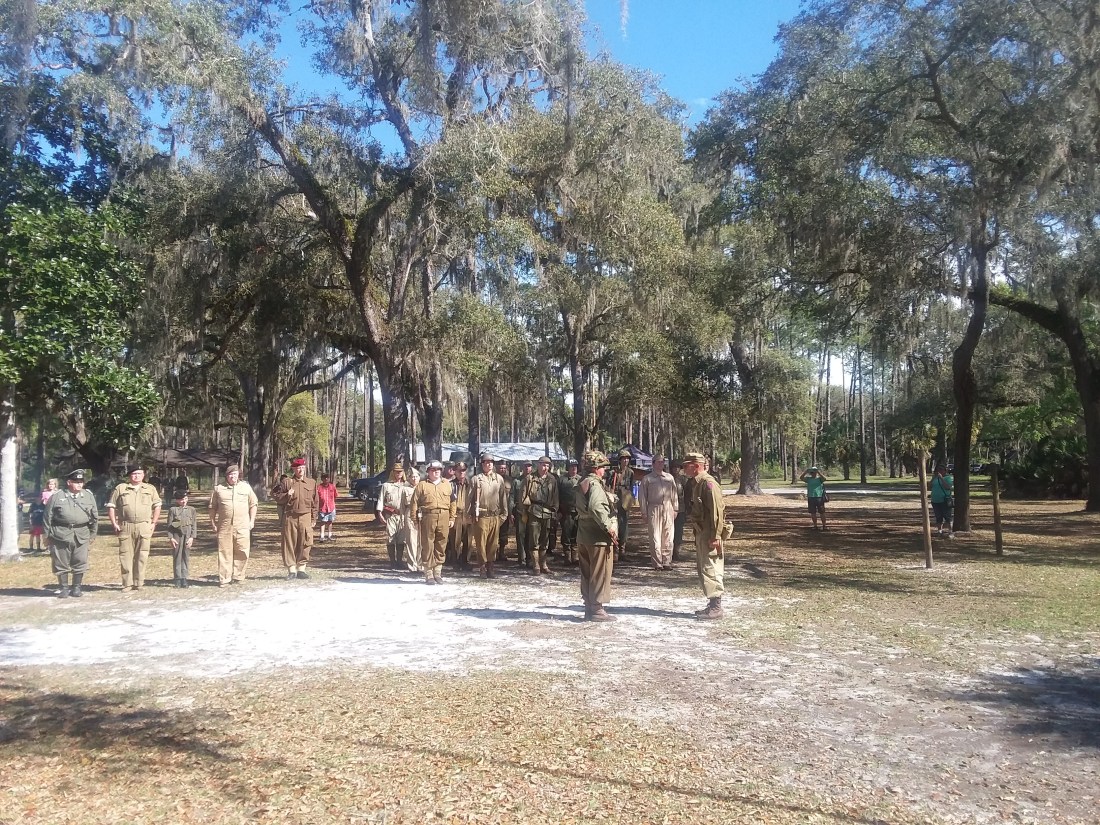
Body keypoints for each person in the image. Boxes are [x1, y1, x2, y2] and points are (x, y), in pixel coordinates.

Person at [575, 450, 617, 621]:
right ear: (596, 468)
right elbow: (595, 507)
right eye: (602, 468)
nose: (604, 471)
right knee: (600, 573)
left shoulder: (582, 482)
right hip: (598, 537)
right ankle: (597, 609)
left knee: (587, 573)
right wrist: (609, 528)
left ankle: (588, 607)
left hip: (583, 534)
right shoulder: (595, 485)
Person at [44, 469, 98, 598]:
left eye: (81, 482)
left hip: (81, 533)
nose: (80, 484)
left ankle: (76, 588)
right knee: (61, 562)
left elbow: (94, 516)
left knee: (80, 561)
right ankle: (63, 588)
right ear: (69, 482)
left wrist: (93, 534)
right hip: (61, 534)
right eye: (76, 482)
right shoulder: (57, 496)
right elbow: (47, 517)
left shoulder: (88, 496)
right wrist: (46, 536)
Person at [107, 465, 162, 592]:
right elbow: (111, 506)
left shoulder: (150, 489)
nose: (136, 476)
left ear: (143, 475)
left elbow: (157, 505)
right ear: (129, 476)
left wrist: (154, 522)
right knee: (125, 555)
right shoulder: (121, 488)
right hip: (126, 525)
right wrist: (114, 523)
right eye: (134, 474)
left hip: (144, 525)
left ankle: (139, 582)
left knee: (142, 555)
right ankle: (127, 583)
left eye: (139, 473)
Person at [683, 451, 725, 619]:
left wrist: (715, 536)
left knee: (711, 568)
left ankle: (716, 607)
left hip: (709, 531)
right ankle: (712, 604)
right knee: (704, 568)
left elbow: (716, 512)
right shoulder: (696, 483)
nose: (684, 468)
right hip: (701, 531)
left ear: (697, 466)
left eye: (687, 465)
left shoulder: (708, 484)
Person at [208, 463, 258, 586]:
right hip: (225, 526)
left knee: (242, 550)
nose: (232, 477)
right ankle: (225, 578)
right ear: (226, 476)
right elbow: (212, 507)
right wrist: (213, 523)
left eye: (235, 474)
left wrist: (252, 521)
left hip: (242, 525)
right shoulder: (219, 489)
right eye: (230, 474)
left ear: (239, 475)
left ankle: (239, 576)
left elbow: (253, 504)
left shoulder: (246, 488)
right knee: (225, 552)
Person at [409, 460, 456, 584]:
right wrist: (414, 520)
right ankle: (429, 573)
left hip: (444, 516)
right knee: (427, 544)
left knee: (441, 543)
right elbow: (414, 503)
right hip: (427, 516)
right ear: (428, 471)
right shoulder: (422, 485)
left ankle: (438, 572)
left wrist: (452, 518)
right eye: (433, 470)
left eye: (438, 470)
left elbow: (453, 502)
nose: (436, 472)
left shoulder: (447, 484)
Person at [272, 457, 318, 580]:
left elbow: (315, 502)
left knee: (306, 541)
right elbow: (276, 496)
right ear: (293, 469)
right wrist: (287, 495)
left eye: (302, 468)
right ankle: (291, 569)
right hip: (290, 516)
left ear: (305, 468)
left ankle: (302, 569)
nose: (300, 470)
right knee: (289, 543)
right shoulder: (287, 482)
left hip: (306, 516)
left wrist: (314, 518)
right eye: (298, 468)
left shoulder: (311, 483)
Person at [470, 453, 508, 578]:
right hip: (481, 517)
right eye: (486, 462)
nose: (489, 464)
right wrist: (471, 515)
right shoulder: (476, 479)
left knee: (493, 544)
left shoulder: (499, 479)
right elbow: (469, 499)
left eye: (491, 462)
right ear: (482, 464)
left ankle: (491, 566)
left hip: (495, 516)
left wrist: (504, 514)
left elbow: (503, 498)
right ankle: (482, 567)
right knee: (481, 544)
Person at [639, 455, 678, 570]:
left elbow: (674, 494)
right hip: (654, 508)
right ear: (654, 463)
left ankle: (667, 561)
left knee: (668, 535)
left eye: (663, 462)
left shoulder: (669, 478)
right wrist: (644, 512)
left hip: (668, 507)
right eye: (659, 462)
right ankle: (657, 563)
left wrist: (675, 508)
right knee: (655, 536)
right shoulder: (647, 479)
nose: (661, 464)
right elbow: (642, 497)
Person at [523, 456, 560, 575]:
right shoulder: (530, 478)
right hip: (534, 511)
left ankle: (544, 564)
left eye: (548, 465)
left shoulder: (552, 479)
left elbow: (555, 497)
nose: (545, 468)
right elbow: (524, 496)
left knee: (545, 540)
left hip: (547, 512)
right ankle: (536, 565)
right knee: (534, 540)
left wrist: (554, 511)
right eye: (543, 465)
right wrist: (524, 512)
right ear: (538, 465)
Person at [376, 463, 409, 569]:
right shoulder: (386, 485)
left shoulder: (407, 485)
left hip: (403, 515)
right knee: (391, 537)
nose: (398, 473)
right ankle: (392, 561)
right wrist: (379, 513)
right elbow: (381, 499)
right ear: (393, 472)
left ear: (403, 472)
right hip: (390, 515)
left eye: (400, 471)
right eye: (396, 471)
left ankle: (400, 561)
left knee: (401, 539)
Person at [609, 449, 636, 561]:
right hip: (615, 502)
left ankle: (622, 550)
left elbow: (631, 486)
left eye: (627, 458)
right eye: (624, 458)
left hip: (625, 501)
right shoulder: (613, 472)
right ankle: (614, 550)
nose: (626, 460)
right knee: (614, 525)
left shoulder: (630, 472)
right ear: (619, 460)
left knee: (624, 527)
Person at [167, 490, 198, 588]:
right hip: (177, 535)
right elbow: (169, 525)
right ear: (177, 500)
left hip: (187, 535)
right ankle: (177, 578)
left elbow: (194, 524)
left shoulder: (191, 509)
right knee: (177, 556)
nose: (184, 501)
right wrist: (171, 538)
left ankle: (184, 578)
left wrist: (192, 537)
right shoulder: (173, 510)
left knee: (185, 556)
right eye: (181, 499)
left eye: (185, 499)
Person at [447, 462, 474, 570]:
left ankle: (465, 561)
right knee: (455, 540)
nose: (461, 472)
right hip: (456, 514)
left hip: (468, 514)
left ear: (466, 471)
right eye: (459, 470)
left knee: (468, 540)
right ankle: (455, 562)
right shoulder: (450, 484)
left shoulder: (471, 484)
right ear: (455, 472)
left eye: (463, 470)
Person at [557, 459, 582, 566]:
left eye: (575, 466)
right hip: (566, 513)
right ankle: (567, 557)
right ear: (568, 467)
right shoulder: (562, 480)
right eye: (571, 466)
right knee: (566, 534)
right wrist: (558, 510)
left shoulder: (581, 480)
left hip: (578, 512)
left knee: (576, 534)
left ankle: (575, 557)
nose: (574, 468)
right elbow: (556, 496)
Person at [511, 460, 534, 567]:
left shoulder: (535, 480)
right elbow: (511, 497)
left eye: (529, 466)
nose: (527, 468)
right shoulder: (516, 481)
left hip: (532, 513)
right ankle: (522, 559)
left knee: (531, 535)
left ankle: (530, 559)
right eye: (525, 466)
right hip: (520, 512)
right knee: (520, 536)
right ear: (522, 468)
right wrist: (511, 512)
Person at [799, 466, 828, 530]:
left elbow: (824, 478)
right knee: (813, 512)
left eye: (814, 472)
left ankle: (824, 526)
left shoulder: (819, 479)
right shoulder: (808, 479)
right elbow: (801, 478)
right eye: (811, 472)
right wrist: (806, 472)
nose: (813, 473)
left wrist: (818, 472)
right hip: (811, 497)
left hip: (819, 497)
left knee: (822, 512)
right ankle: (815, 526)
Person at [930, 464, 955, 538]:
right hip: (935, 500)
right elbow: (929, 486)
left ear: (945, 470)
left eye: (941, 469)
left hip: (944, 500)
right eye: (938, 469)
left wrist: (941, 478)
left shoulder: (948, 478)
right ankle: (939, 531)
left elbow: (948, 487)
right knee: (938, 517)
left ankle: (950, 532)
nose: (939, 471)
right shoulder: (934, 478)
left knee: (947, 516)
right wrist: (933, 478)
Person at [496, 460, 513, 562]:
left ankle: (501, 552)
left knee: (503, 533)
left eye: (504, 468)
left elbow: (512, 496)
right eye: (500, 468)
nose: (502, 470)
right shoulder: (493, 479)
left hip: (505, 511)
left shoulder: (510, 480)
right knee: (493, 534)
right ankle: (492, 553)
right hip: (494, 510)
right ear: (496, 468)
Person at [671, 460, 687, 561]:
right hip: (669, 509)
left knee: (678, 531)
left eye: (678, 467)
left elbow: (687, 494)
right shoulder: (667, 478)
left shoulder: (683, 480)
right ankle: (669, 550)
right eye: (674, 467)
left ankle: (676, 551)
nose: (676, 469)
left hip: (681, 509)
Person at [316, 473, 338, 542]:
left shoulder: (332, 487)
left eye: (327, 478)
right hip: (322, 508)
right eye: (324, 478)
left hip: (331, 507)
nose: (326, 479)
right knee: (322, 522)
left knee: (330, 522)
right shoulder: (319, 487)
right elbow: (316, 497)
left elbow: (335, 495)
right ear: (322, 479)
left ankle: (329, 536)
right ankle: (322, 536)